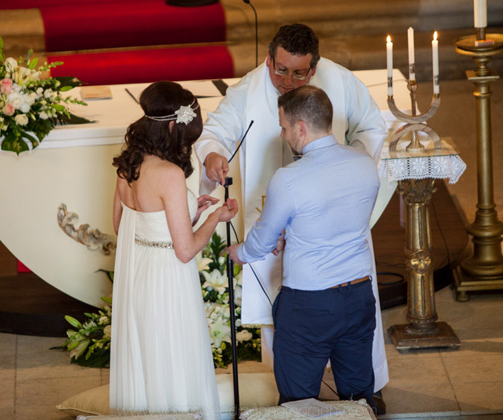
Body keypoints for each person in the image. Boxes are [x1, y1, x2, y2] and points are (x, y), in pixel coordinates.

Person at [194, 22, 389, 401]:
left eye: (298, 73)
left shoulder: (342, 82)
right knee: (283, 306)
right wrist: (214, 154)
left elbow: (372, 129)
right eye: (279, 69)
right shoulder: (248, 90)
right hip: (272, 212)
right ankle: (306, 391)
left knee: (323, 318)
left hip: (330, 224)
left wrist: (343, 174)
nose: (286, 80)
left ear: (313, 68)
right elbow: (214, 130)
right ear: (268, 59)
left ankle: (362, 392)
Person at [227, 85, 379, 409]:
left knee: (298, 402)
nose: (283, 135)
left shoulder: (289, 178)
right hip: (358, 296)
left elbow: (263, 240)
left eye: (283, 128)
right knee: (358, 398)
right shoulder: (364, 163)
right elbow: (344, 221)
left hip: (309, 305)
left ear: (300, 127)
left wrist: (238, 253)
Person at [110, 81, 237, 418]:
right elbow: (184, 250)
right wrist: (213, 217)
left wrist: (188, 210)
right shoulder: (169, 174)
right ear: (170, 127)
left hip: (138, 272)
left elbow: (123, 225)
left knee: (146, 356)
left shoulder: (129, 163)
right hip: (167, 279)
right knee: (172, 355)